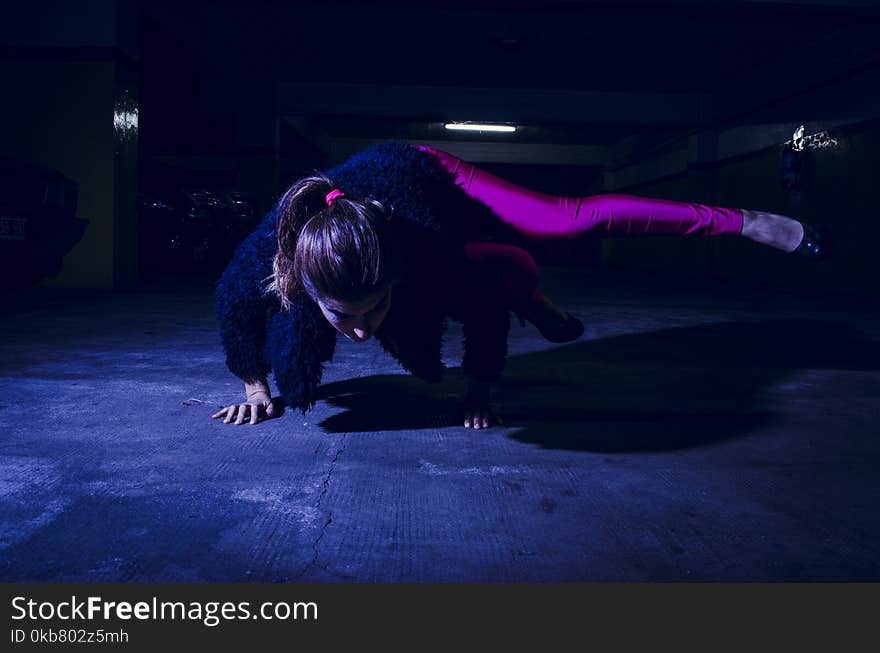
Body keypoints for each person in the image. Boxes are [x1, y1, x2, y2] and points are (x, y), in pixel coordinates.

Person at [211, 141, 828, 429]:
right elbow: (233, 306)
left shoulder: (422, 254)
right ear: (302, 286)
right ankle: (535, 299)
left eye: (376, 308)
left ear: (394, 278)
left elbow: (481, 312)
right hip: (374, 225)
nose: (362, 331)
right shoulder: (269, 258)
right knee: (495, 266)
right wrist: (254, 381)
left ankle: (746, 223)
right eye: (342, 316)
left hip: (429, 181)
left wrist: (479, 389)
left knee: (557, 223)